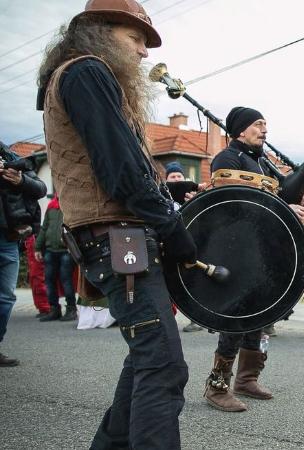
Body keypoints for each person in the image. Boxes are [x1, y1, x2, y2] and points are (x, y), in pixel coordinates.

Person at [37, 1, 194, 447]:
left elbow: (115, 165)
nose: (145, 52)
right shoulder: (86, 71)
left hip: (117, 234)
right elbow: (121, 168)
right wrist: (169, 222)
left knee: (147, 358)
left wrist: (170, 198)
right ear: (101, 31)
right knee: (162, 365)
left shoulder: (80, 75)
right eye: (137, 39)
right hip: (118, 237)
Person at [203, 106, 304, 412]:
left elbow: (274, 200)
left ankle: (247, 378)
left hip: (261, 250)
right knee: (237, 316)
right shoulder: (227, 159)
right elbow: (236, 204)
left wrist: (301, 202)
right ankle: (217, 386)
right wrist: (283, 209)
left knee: (260, 315)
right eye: (258, 124)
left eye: (266, 124)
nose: (264, 130)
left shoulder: (259, 161)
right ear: (240, 129)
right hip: (237, 250)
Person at [0, 142, 47, 367]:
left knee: (6, 297)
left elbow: (40, 188)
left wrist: (20, 180)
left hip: (8, 238)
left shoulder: (11, 158)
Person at [164, 161, 203, 333]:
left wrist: (195, 203)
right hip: (168, 247)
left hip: (189, 246)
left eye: (179, 176)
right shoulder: (163, 198)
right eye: (173, 177)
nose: (177, 179)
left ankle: (196, 319)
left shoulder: (193, 197)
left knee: (192, 284)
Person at [35, 195, 78, 322]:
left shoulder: (72, 206)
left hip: (66, 251)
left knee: (66, 280)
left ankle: (71, 309)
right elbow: (44, 227)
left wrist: (73, 245)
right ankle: (54, 309)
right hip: (50, 251)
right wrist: (37, 247)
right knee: (49, 281)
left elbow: (77, 228)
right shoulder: (51, 206)